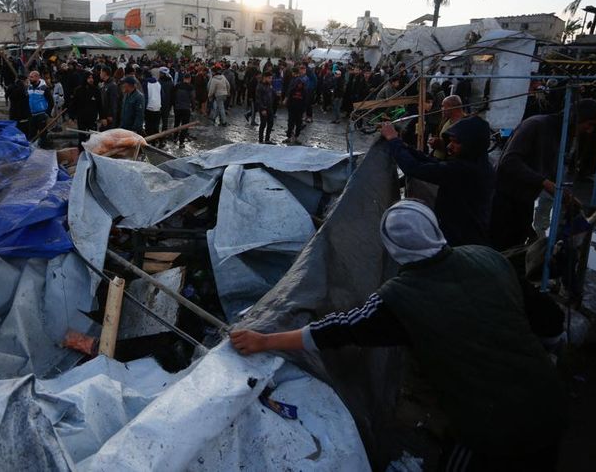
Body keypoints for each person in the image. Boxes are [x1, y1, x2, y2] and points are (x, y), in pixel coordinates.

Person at [230, 200, 566, 472]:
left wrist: (264, 340)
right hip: (551, 400)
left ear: (391, 248)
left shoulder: (399, 298)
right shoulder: (488, 258)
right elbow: (551, 322)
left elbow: (333, 330)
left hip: (492, 427)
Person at [490, 99, 596, 250]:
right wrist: (544, 182)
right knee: (498, 247)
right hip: (503, 199)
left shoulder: (561, 134)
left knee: (516, 247)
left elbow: (548, 168)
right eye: (590, 124)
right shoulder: (536, 125)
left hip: (524, 200)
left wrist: (563, 195)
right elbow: (509, 161)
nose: (589, 130)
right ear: (577, 118)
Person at [382, 116, 495, 246]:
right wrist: (405, 147)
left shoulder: (465, 170)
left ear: (471, 144)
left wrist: (393, 140)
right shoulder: (478, 162)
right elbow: (433, 163)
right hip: (462, 230)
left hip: (463, 238)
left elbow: (414, 168)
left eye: (456, 142)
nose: (449, 146)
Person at [429, 95, 466, 160]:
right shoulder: (446, 119)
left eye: (443, 106)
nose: (441, 109)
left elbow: (460, 148)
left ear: (451, 107)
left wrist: (440, 144)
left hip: (448, 161)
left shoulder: (464, 123)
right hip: (437, 157)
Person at [27, 71, 53, 142]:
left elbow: (51, 102)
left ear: (37, 77)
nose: (30, 78)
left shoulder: (44, 88)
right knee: (32, 134)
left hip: (41, 114)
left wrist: (47, 113)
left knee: (43, 134)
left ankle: (44, 147)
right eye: (29, 77)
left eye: (31, 77)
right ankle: (32, 148)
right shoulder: (29, 87)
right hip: (32, 114)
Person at [285, 72, 308, 144]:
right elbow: (289, 99)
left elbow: (305, 101)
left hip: (299, 111)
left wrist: (303, 110)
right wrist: (289, 107)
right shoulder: (292, 90)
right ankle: (289, 137)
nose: (300, 85)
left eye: (301, 84)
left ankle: (296, 137)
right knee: (290, 124)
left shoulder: (304, 91)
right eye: (299, 84)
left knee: (298, 125)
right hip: (292, 110)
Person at [173, 74, 195, 146]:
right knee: (185, 125)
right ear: (189, 79)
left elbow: (173, 96)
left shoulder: (177, 86)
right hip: (186, 108)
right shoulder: (190, 87)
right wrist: (193, 107)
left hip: (177, 108)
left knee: (176, 123)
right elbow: (192, 98)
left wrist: (174, 105)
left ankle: (175, 138)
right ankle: (181, 142)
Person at [255, 71, 275, 144]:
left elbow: (271, 94)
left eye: (271, 78)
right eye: (269, 78)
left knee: (270, 123)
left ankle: (267, 139)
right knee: (263, 124)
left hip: (270, 107)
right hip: (263, 108)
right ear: (265, 77)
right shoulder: (260, 86)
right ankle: (260, 140)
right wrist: (263, 108)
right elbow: (258, 99)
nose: (271, 80)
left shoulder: (269, 85)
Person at [98, 66, 119, 130]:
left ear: (104, 73)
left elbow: (113, 101)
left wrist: (110, 115)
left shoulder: (112, 85)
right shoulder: (105, 84)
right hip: (104, 114)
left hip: (109, 116)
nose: (100, 74)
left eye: (101, 72)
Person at [143, 70, 163, 136]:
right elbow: (163, 96)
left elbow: (145, 97)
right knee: (155, 126)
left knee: (148, 126)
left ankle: (149, 141)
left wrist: (143, 108)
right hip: (158, 107)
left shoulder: (145, 83)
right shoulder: (158, 83)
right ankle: (155, 141)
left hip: (149, 107)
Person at [157, 67, 174, 133]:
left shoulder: (159, 82)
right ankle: (163, 137)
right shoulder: (171, 82)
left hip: (161, 104)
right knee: (165, 121)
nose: (159, 74)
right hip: (167, 105)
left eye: (160, 73)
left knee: (158, 121)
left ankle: (157, 135)